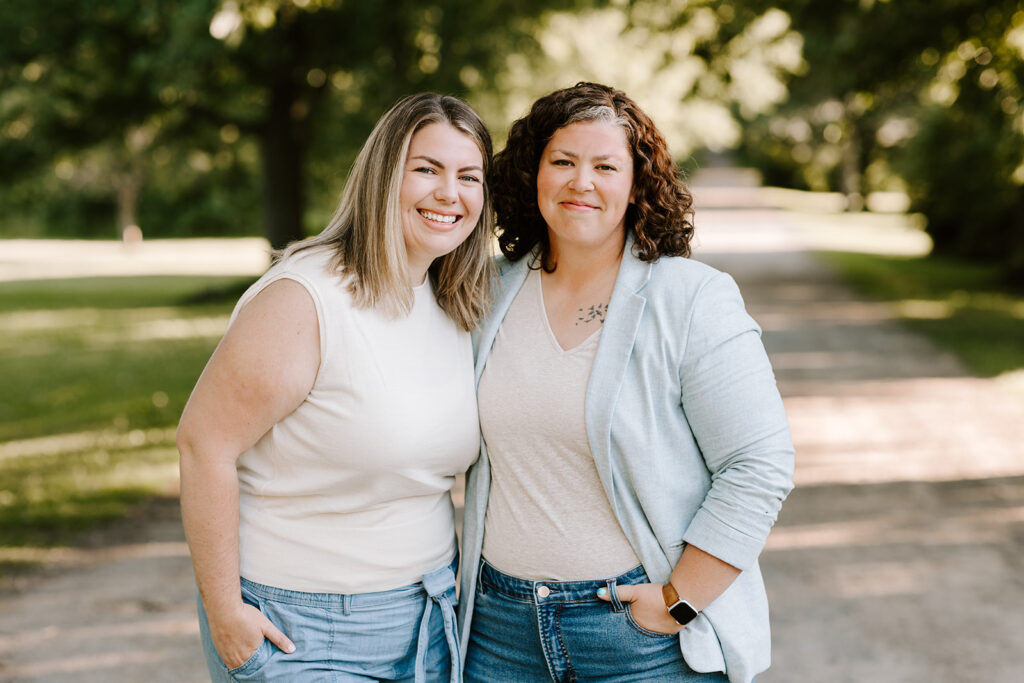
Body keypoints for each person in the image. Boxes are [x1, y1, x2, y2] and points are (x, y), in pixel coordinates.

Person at [459, 82, 795, 683]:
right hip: (499, 634)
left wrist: (679, 600)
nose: (580, 182)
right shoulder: (484, 293)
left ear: (636, 184)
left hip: (639, 641)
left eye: (605, 166)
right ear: (532, 173)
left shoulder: (691, 298)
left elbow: (758, 462)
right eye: (561, 161)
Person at [177, 92, 494, 682]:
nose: (449, 193)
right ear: (382, 178)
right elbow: (203, 443)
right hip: (299, 628)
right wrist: (224, 611)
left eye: (468, 176)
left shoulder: (451, 302)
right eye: (426, 169)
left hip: (424, 623)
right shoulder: (306, 298)